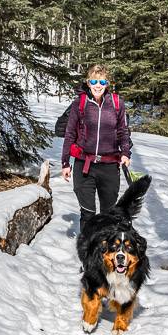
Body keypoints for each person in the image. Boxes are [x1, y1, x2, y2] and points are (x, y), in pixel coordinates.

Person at [61, 64, 133, 230]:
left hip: (109, 166)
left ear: (107, 83)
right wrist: (65, 162)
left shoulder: (116, 103)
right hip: (84, 164)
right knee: (87, 212)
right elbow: (70, 133)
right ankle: (88, 250)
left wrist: (126, 154)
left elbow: (123, 131)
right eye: (94, 81)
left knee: (108, 214)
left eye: (102, 82)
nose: (98, 85)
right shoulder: (80, 103)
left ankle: (105, 250)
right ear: (88, 82)